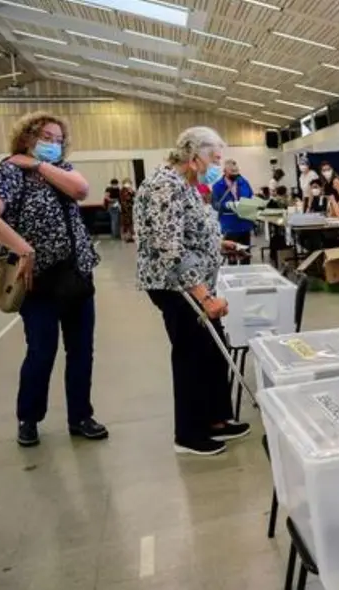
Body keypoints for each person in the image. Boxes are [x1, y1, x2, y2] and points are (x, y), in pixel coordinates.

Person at [134, 126, 250, 456]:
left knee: (212, 352)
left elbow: (187, 230)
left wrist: (218, 243)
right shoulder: (164, 186)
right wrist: (205, 296)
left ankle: (216, 419)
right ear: (194, 154)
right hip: (177, 286)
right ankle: (188, 433)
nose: (217, 163)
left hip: (193, 282)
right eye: (214, 158)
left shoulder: (183, 184)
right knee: (191, 355)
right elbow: (169, 247)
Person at [0, 112, 108, 447]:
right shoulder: (9, 172)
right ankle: (28, 418)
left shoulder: (61, 170)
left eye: (58, 139)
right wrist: (23, 249)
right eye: (46, 137)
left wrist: (38, 165)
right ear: (27, 137)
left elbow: (81, 189)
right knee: (41, 352)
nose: (53, 143)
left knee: (81, 351)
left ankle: (80, 416)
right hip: (38, 280)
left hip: (76, 275)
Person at [211, 159, 254, 263]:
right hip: (229, 225)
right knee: (232, 257)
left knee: (245, 256)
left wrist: (251, 203)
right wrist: (227, 205)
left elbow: (251, 196)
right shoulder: (217, 186)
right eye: (232, 172)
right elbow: (215, 205)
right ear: (225, 171)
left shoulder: (244, 182)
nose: (235, 175)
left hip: (244, 223)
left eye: (237, 172)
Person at [119, 177, 135, 242]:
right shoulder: (123, 190)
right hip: (125, 209)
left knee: (131, 223)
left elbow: (133, 196)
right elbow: (124, 199)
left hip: (131, 209)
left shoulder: (131, 189)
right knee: (126, 223)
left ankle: (131, 236)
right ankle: (126, 237)